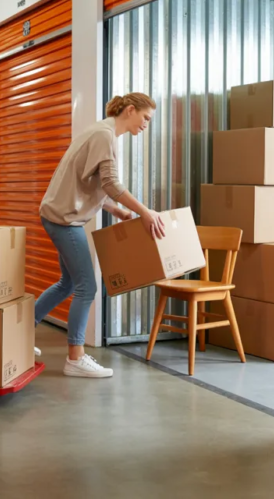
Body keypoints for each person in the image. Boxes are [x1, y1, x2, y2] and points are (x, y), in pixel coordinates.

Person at [34, 92, 166, 378]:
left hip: (59, 215)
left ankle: (17, 335)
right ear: (130, 110)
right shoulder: (105, 136)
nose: (146, 124)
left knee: (68, 284)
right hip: (65, 220)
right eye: (145, 118)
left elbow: (90, 181)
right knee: (87, 287)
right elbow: (110, 182)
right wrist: (145, 212)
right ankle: (75, 357)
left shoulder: (99, 131)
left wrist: (115, 210)